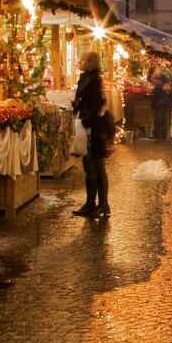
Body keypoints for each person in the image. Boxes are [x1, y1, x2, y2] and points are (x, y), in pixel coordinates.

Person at [72, 51, 116, 218]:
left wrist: (87, 120)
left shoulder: (95, 79)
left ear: (90, 62)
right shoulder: (85, 78)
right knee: (89, 166)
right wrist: (76, 105)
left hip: (94, 128)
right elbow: (82, 99)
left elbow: (99, 103)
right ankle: (91, 203)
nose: (80, 61)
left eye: (83, 59)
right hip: (87, 124)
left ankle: (102, 204)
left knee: (96, 166)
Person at [150, 65, 172, 141]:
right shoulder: (159, 79)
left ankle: (159, 135)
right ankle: (160, 135)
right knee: (161, 118)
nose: (156, 72)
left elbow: (167, 88)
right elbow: (167, 88)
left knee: (160, 118)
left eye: (157, 70)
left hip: (161, 101)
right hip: (161, 101)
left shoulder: (160, 79)